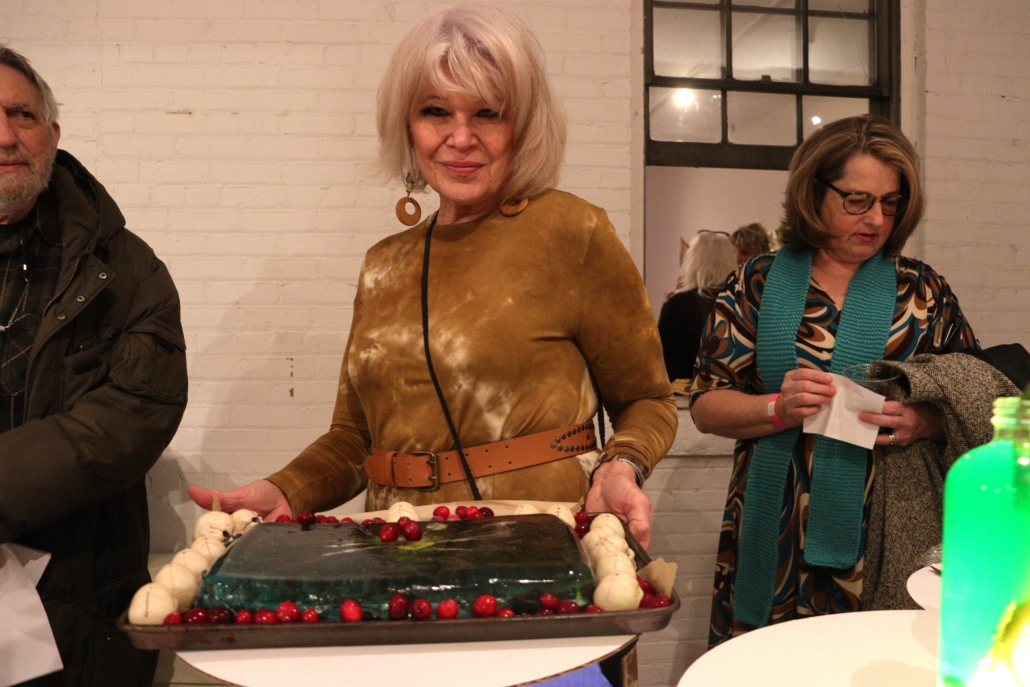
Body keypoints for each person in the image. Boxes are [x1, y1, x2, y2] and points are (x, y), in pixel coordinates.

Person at [188, 6, 676, 549]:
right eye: (436, 111)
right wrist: (286, 488)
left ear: (523, 125)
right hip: (399, 554)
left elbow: (648, 399)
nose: (460, 138)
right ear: (408, 125)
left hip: (537, 548)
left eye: (488, 113)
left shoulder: (573, 233)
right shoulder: (384, 264)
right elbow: (356, 439)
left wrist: (621, 465)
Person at [689, 114, 978, 646]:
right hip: (775, 524)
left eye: (890, 203)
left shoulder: (923, 291)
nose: (876, 219)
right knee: (769, 663)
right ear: (813, 192)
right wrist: (776, 408)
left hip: (889, 526)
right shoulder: (756, 282)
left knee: (874, 663)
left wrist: (923, 421)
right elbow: (706, 404)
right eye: (857, 200)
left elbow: (972, 397)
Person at [0, 47, 187, 686]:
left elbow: (135, 413)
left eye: (22, 115)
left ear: (52, 135)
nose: (5, 136)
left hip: (79, 607)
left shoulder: (126, 268)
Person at [657, 230, 736, 381]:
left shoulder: (678, 305)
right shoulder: (740, 302)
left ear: (693, 262)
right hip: (735, 391)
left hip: (688, 391)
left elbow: (663, 363)